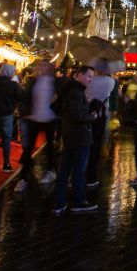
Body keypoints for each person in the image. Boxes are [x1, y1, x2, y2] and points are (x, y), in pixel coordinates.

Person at [52, 66, 99, 214]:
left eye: (92, 77)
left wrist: (88, 107)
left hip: (70, 135)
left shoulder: (68, 90)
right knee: (79, 171)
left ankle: (59, 202)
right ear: (78, 75)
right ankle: (78, 201)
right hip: (80, 137)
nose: (90, 80)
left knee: (65, 170)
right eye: (88, 76)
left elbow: (72, 111)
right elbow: (78, 116)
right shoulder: (76, 92)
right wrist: (93, 116)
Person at [16, 60, 60, 191]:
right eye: (41, 64)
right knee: (28, 148)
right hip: (34, 117)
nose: (42, 67)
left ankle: (51, 171)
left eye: (45, 65)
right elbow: (26, 98)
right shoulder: (33, 81)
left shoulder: (55, 82)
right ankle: (23, 178)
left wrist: (56, 103)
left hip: (50, 117)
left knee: (49, 147)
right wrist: (26, 112)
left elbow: (61, 95)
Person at [84, 67, 117, 189]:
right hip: (101, 115)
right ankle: (91, 176)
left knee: (84, 144)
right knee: (95, 145)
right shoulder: (111, 81)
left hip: (86, 113)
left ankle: (80, 173)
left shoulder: (90, 78)